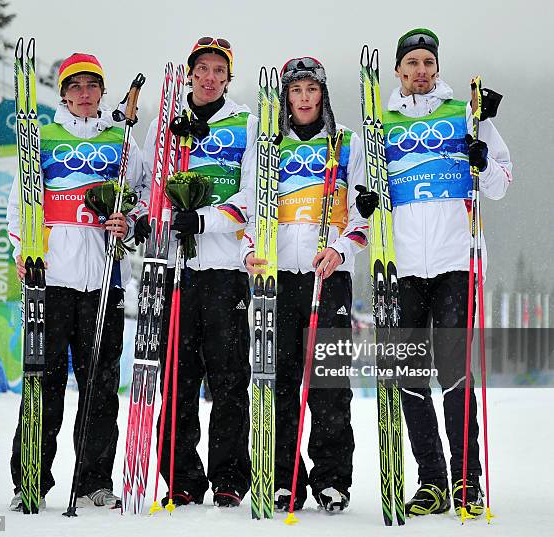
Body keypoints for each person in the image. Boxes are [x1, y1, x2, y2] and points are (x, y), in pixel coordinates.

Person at [382, 28, 512, 517]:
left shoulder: (467, 114)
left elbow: (501, 182)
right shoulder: (382, 122)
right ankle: (431, 479)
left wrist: (483, 161)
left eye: (427, 64)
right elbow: (363, 189)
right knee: (412, 377)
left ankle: (465, 480)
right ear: (398, 71)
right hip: (405, 267)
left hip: (457, 261)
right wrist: (367, 201)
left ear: (438, 70)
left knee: (455, 375)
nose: (419, 72)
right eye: (411, 63)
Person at [7, 53, 143, 511]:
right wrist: (25, 252)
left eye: (92, 85)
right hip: (53, 280)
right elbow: (17, 204)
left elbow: (144, 197)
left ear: (103, 91)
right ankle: (30, 477)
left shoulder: (122, 139)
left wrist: (130, 222)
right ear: (63, 93)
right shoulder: (41, 137)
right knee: (42, 382)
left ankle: (93, 480)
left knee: (101, 388)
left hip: (105, 280)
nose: (84, 93)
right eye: (75, 86)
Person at [243, 57, 377, 512]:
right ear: (286, 98)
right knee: (281, 381)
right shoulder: (266, 148)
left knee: (330, 383)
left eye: (310, 90)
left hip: (329, 276)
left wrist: (341, 249)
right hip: (277, 280)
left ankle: (332, 478)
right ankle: (286, 478)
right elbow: (248, 207)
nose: (304, 98)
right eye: (295, 90)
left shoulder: (345, 144)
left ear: (322, 94)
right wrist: (248, 252)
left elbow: (365, 212)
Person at [138, 37, 257, 508]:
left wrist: (204, 219)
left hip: (225, 269)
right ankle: (181, 476)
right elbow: (145, 185)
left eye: (218, 71)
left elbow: (252, 196)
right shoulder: (165, 123)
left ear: (228, 78)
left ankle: (229, 476)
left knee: (229, 377)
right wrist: (152, 216)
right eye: (202, 69)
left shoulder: (246, 124)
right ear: (189, 74)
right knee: (178, 377)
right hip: (175, 268)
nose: (209, 78)